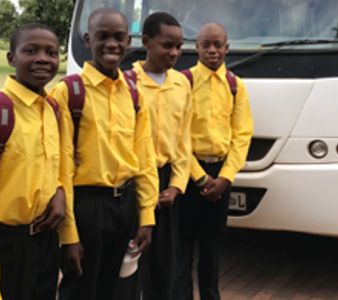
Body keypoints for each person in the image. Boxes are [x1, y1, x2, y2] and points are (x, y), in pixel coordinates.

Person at [51, 7, 159, 300]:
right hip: (86, 206)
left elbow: (145, 159)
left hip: (124, 205)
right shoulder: (69, 92)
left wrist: (146, 216)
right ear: (88, 39)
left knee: (120, 288)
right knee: (81, 289)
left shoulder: (134, 93)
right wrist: (69, 235)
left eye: (119, 37)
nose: (112, 43)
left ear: (129, 42)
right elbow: (61, 168)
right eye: (103, 36)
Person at [0, 24, 71, 300]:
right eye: (31, 51)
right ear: (11, 58)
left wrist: (60, 191)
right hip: (4, 243)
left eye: (51, 52)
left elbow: (54, 164)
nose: (42, 58)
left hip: (44, 239)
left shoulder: (51, 108)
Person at [174, 23, 254, 300]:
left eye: (217, 44)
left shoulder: (235, 86)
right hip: (188, 172)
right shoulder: (183, 82)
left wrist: (226, 177)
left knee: (212, 245)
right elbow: (178, 134)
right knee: (182, 245)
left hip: (220, 175)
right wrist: (199, 177)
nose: (212, 50)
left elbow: (242, 134)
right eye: (206, 44)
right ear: (196, 48)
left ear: (226, 48)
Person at [131, 12, 192, 300]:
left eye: (179, 46)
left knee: (164, 264)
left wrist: (176, 186)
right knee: (130, 263)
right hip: (133, 182)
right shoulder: (128, 83)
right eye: (167, 45)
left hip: (166, 181)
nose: (175, 53)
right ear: (146, 42)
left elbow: (183, 141)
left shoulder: (181, 84)